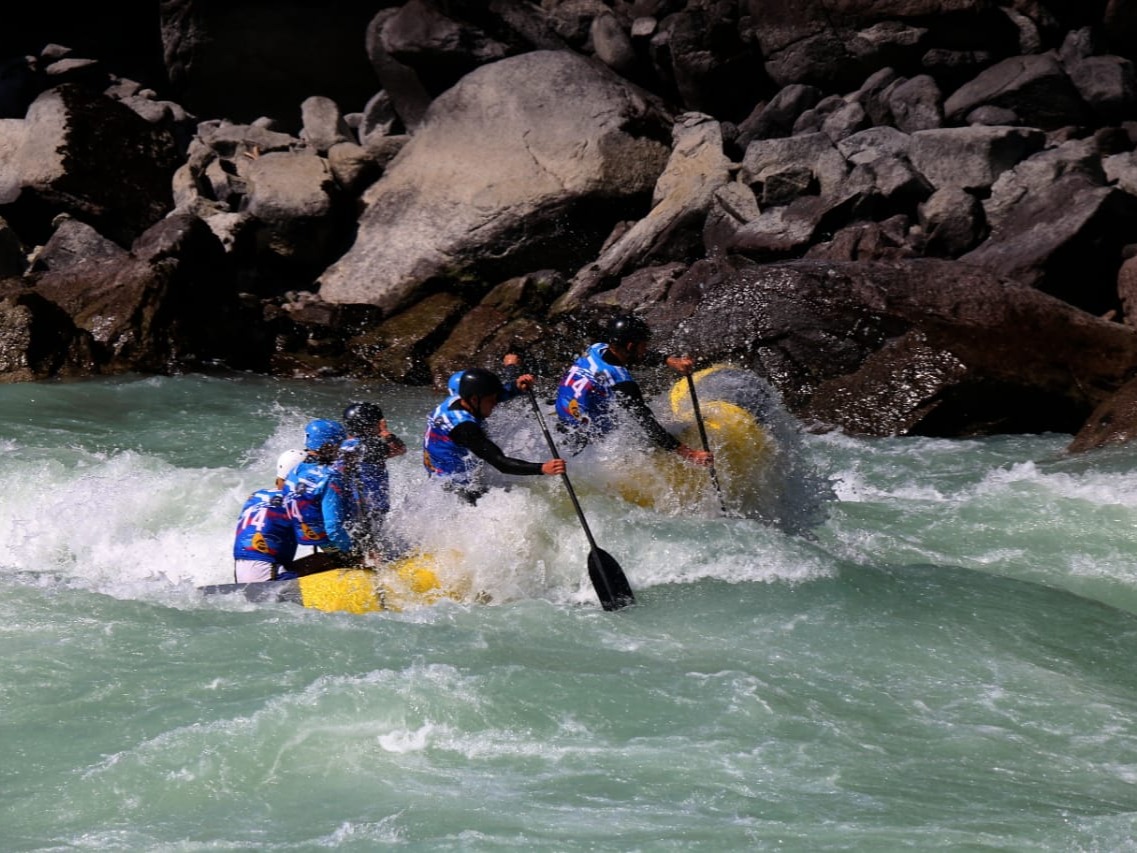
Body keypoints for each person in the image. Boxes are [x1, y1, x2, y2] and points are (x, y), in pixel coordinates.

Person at [555, 314, 714, 465]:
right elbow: (648, 425)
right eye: (643, 346)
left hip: (563, 416)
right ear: (630, 346)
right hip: (587, 440)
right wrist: (690, 454)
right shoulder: (621, 382)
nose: (644, 351)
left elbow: (634, 357)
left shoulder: (596, 349)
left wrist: (670, 361)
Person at [423, 367, 566, 503]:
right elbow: (501, 463)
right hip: (452, 486)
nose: (495, 404)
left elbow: (496, 395)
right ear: (474, 400)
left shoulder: (461, 398)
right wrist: (542, 468)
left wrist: (516, 386)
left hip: (446, 464)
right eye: (491, 401)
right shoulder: (463, 428)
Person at [283, 418, 358, 575]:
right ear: (330, 446)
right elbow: (333, 529)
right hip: (331, 541)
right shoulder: (328, 477)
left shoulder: (296, 470)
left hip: (308, 537)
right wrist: (353, 552)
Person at [339, 401, 407, 554]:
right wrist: (385, 433)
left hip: (349, 506)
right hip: (368, 509)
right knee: (371, 545)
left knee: (356, 538)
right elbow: (400, 449)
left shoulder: (342, 445)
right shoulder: (373, 446)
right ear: (369, 425)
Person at [232, 449, 306, 583]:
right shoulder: (294, 502)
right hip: (269, 572)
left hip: (240, 571)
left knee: (320, 561)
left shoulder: (255, 497)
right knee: (331, 563)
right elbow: (322, 537)